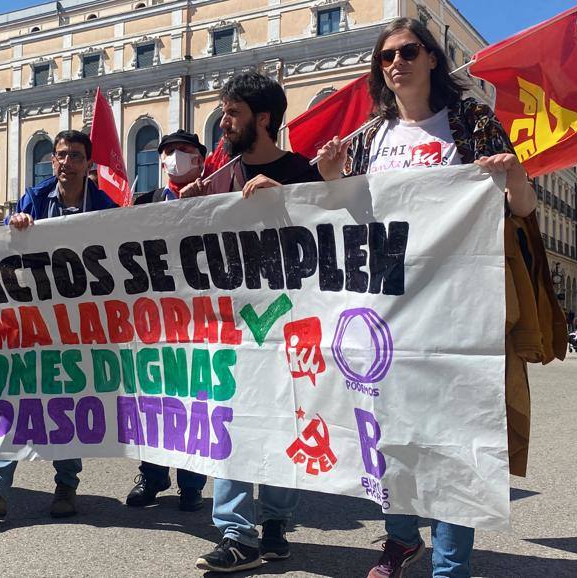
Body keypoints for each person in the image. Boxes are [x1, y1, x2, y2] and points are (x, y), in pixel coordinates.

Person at [314, 17, 536, 578]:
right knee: (387, 433)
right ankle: (401, 537)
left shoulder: (471, 121)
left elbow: (525, 209)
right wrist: (331, 181)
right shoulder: (369, 139)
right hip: (388, 310)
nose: (397, 63)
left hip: (459, 307)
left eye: (409, 51)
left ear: (432, 59)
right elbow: (349, 224)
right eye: (386, 57)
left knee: (457, 436)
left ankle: (449, 562)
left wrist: (511, 175)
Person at [191, 71, 323, 574]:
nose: (224, 123)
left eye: (233, 113)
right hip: (232, 331)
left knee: (284, 423)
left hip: (292, 329)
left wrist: (291, 201)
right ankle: (236, 531)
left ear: (263, 119)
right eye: (224, 113)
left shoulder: (303, 173)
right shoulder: (219, 180)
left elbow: (334, 241)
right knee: (232, 425)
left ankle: (275, 524)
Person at [0, 130, 116, 519]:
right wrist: (16, 222)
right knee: (14, 398)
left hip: (80, 322)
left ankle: (66, 484)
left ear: (88, 164)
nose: (65, 163)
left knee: (67, 402)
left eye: (75, 156)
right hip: (32, 318)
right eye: (59, 155)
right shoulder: (35, 199)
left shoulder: (105, 205)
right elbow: (9, 246)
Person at [125, 129, 208, 512]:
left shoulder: (217, 199)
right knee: (154, 402)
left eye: (184, 151)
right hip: (153, 320)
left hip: (201, 318)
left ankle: (191, 484)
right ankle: (153, 476)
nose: (175, 157)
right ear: (160, 162)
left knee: (196, 401)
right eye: (169, 151)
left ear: (200, 159)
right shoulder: (143, 202)